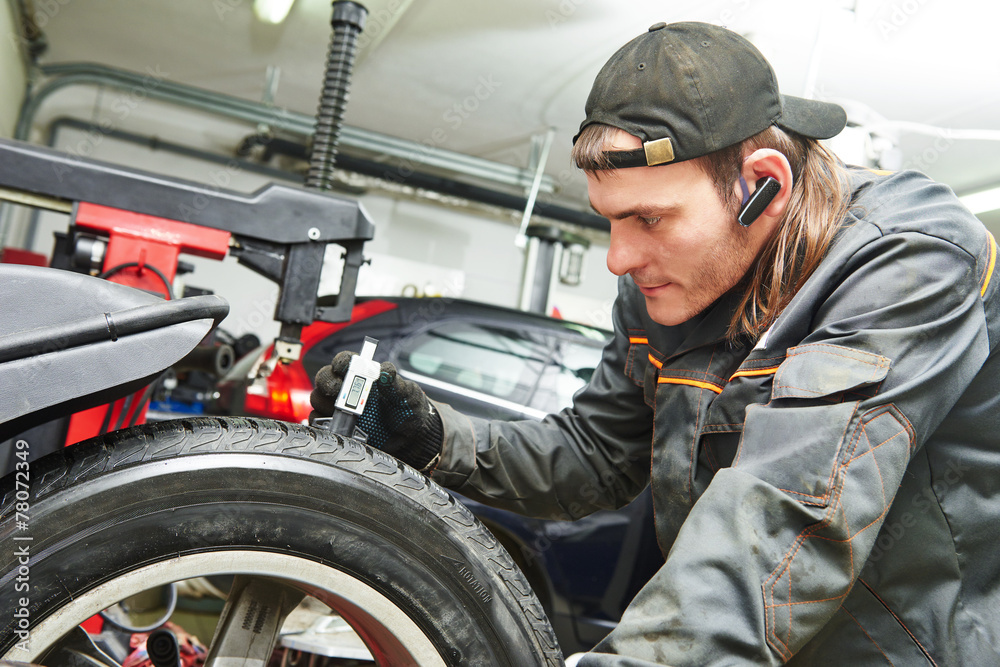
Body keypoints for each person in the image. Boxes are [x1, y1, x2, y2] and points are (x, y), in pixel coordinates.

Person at [310, 21, 1000, 666]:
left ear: (763, 185)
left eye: (648, 217)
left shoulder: (907, 262)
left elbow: (786, 511)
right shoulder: (671, 281)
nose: (619, 258)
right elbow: (594, 455)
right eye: (610, 220)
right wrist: (433, 436)